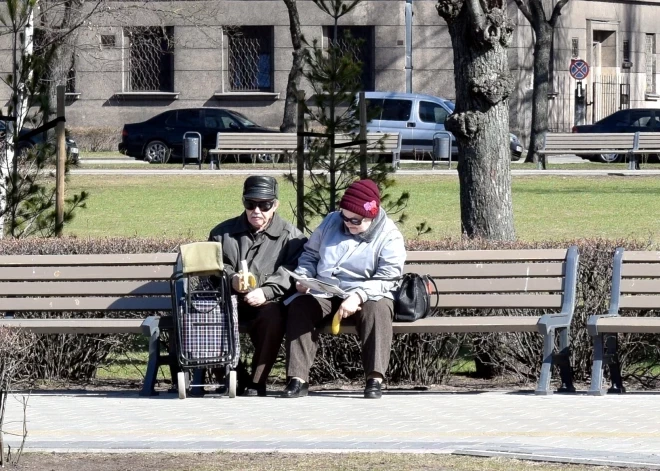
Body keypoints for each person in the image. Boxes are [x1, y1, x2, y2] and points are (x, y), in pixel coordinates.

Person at [281, 179, 406, 399]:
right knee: (300, 306)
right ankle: (297, 379)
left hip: (366, 293)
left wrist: (358, 295)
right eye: (344, 217)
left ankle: (374, 379)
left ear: (372, 215)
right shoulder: (331, 221)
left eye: (355, 220)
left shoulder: (390, 236)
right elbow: (310, 254)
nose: (348, 223)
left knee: (378, 308)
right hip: (325, 290)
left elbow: (389, 277)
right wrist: (304, 277)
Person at [208, 175, 307, 396]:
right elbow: (212, 266)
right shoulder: (222, 233)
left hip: (267, 302)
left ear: (276, 205)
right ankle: (230, 376)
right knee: (207, 314)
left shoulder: (292, 237)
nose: (257, 210)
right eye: (250, 204)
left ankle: (257, 381)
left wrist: (267, 291)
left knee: (273, 315)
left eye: (265, 205)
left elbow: (293, 271)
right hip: (228, 299)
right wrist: (231, 278)